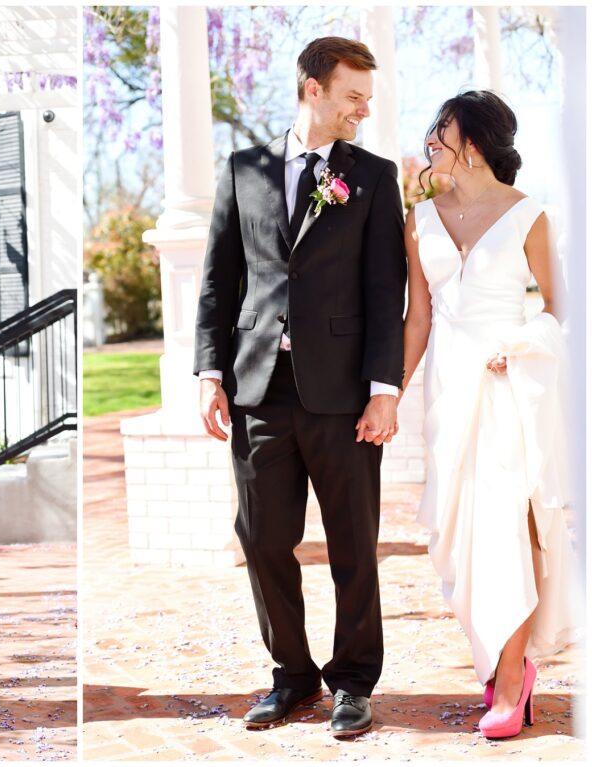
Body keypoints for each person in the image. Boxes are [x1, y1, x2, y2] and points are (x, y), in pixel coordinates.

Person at [194, 36, 407, 738]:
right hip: (259, 389)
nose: (363, 111)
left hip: (345, 392)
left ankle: (352, 682)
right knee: (261, 536)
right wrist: (209, 372)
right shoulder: (243, 169)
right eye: (353, 96)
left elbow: (385, 288)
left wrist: (385, 388)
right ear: (312, 88)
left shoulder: (372, 176)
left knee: (353, 541)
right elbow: (220, 280)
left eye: (368, 99)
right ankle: (292, 675)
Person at [402, 91, 579, 739]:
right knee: (458, 539)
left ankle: (510, 678)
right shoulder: (419, 219)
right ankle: (496, 657)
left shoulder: (530, 215)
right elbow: (418, 317)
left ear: (473, 143)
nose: (430, 145)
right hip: (448, 391)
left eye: (439, 133)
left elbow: (563, 308)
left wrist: (527, 344)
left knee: (507, 526)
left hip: (511, 385)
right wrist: (387, 390)